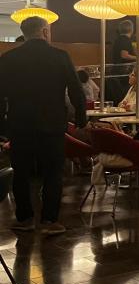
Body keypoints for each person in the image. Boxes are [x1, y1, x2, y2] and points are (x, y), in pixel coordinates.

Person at [0, 16, 86, 234]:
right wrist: (81, 119)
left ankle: (25, 219)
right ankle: (49, 221)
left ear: (25, 33)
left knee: (21, 173)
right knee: (53, 173)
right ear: (45, 32)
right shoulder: (60, 56)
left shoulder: (8, 58)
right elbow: (76, 90)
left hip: (20, 124)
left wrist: (2, 128)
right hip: (53, 123)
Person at [108, 19, 137, 103]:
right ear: (131, 29)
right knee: (123, 96)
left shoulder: (118, 39)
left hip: (116, 72)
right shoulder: (125, 40)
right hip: (123, 73)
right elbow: (124, 55)